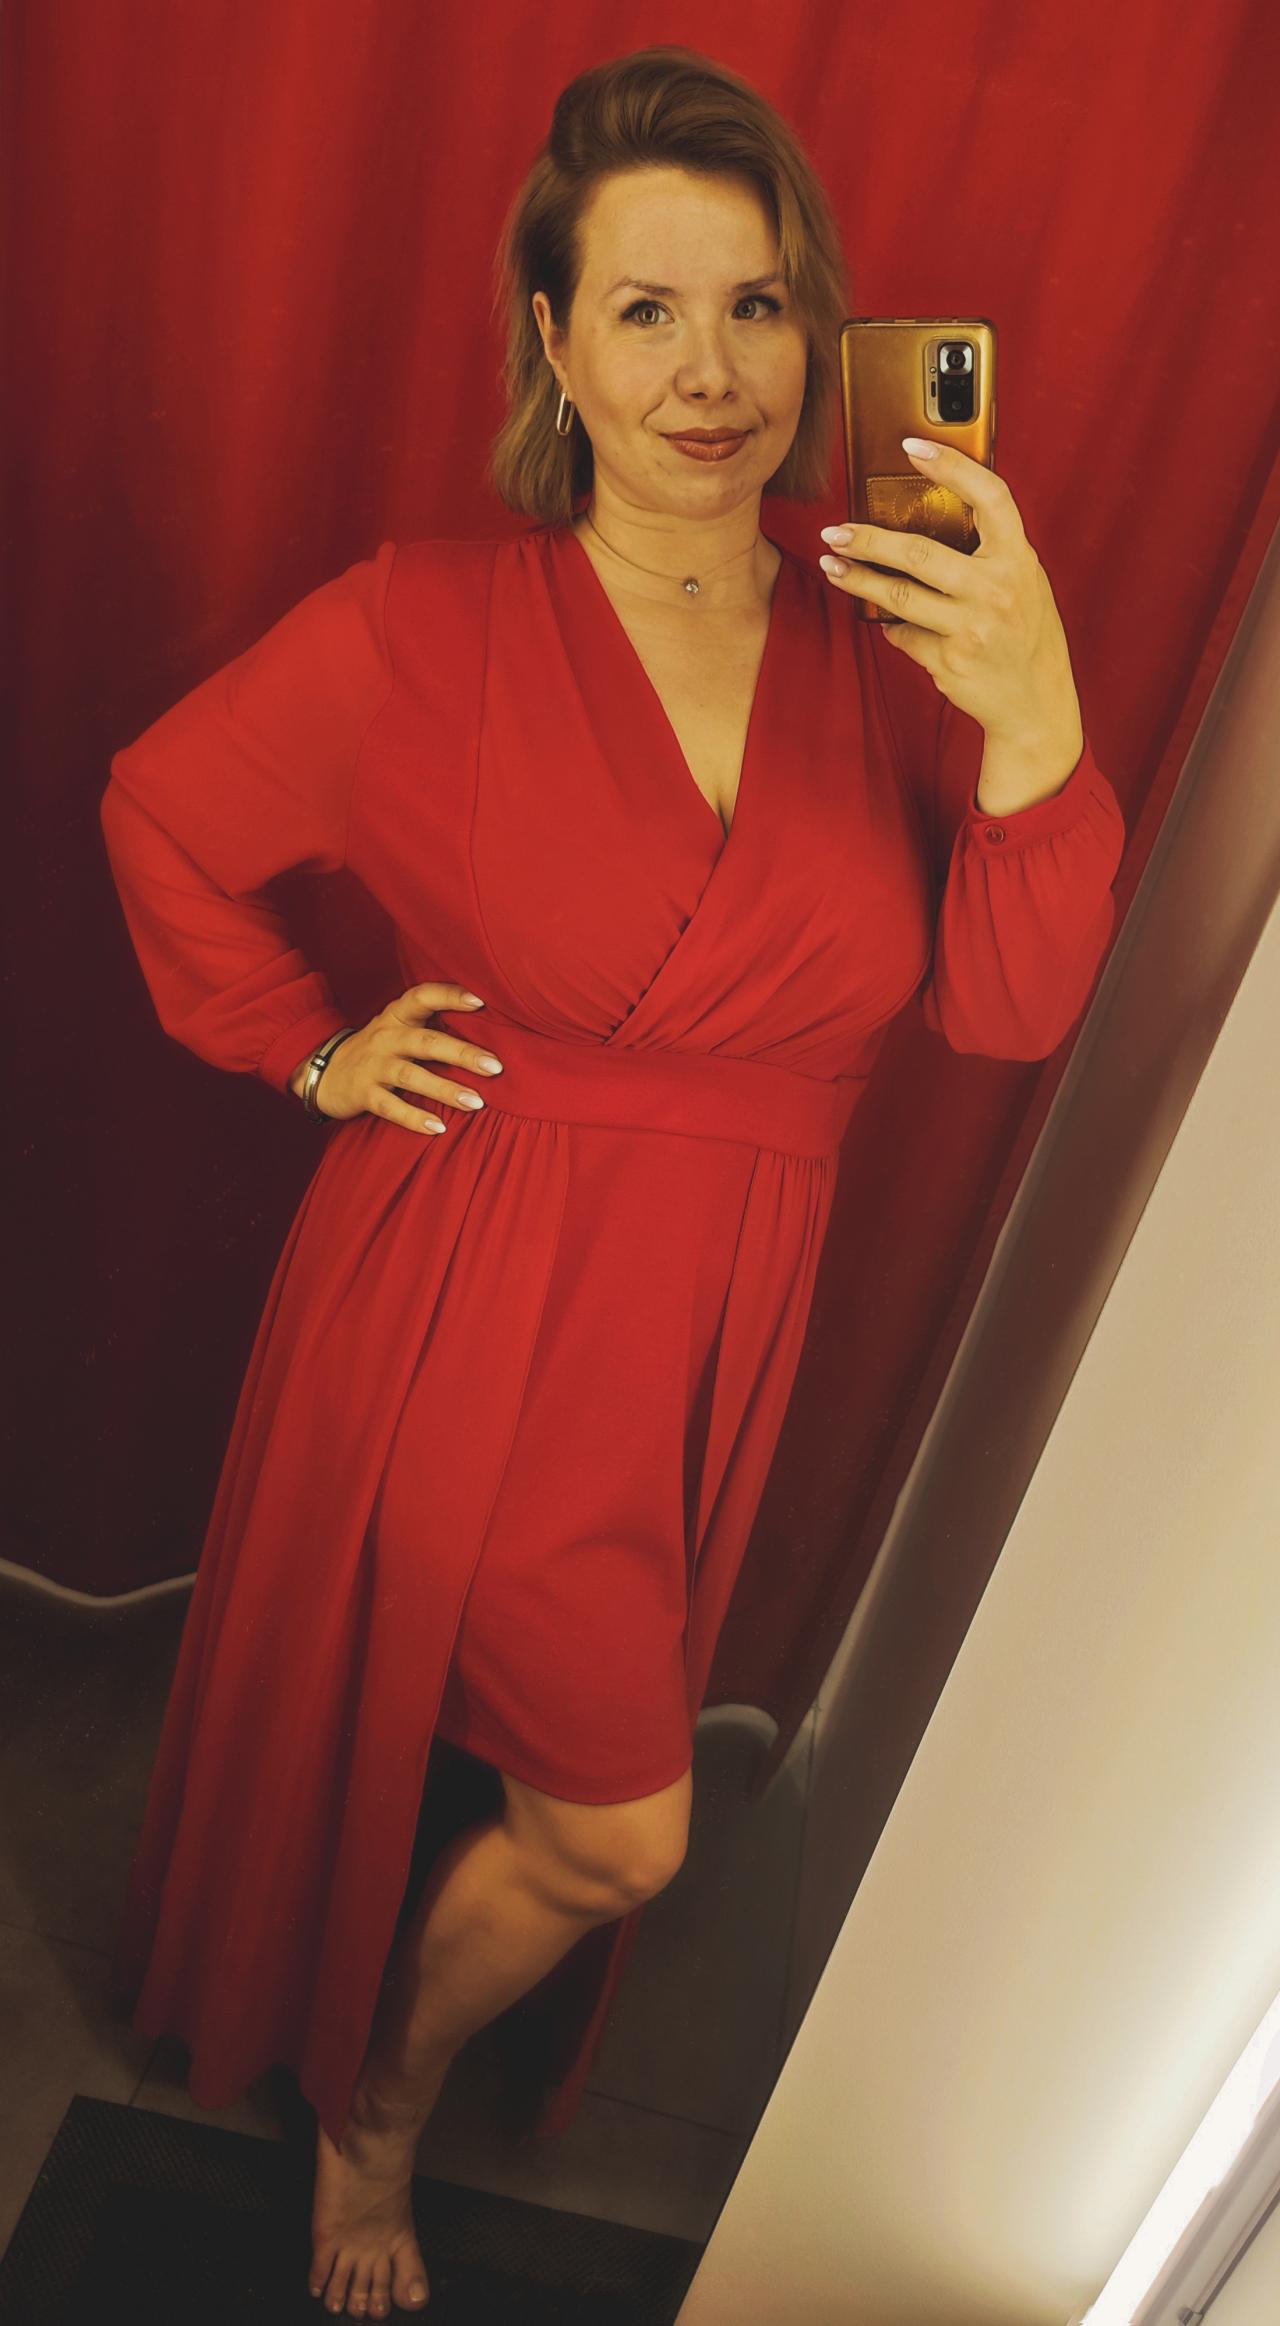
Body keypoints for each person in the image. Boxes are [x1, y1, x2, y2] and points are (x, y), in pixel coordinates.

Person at [98, 42, 1126, 2323]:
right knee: (620, 1823)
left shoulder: (897, 650)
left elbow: (1006, 1004)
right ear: (553, 344)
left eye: (758, 306)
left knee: (564, 1774)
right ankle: (375, 2109)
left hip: (705, 1313)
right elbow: (162, 812)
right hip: (460, 1287)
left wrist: (1035, 700)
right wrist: (306, 1045)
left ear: (820, 334)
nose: (711, 372)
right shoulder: (419, 626)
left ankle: (371, 2051)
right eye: (647, 311)